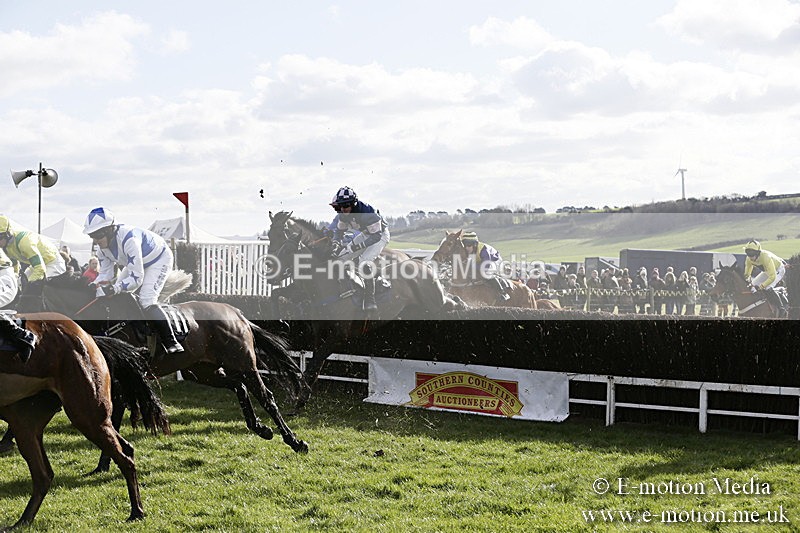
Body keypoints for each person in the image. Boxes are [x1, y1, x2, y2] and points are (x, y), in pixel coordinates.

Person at [83, 207, 183, 353]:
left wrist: (115, 288)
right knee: (117, 294)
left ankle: (171, 341)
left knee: (147, 300)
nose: (96, 240)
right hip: (137, 264)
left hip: (158, 259)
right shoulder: (101, 250)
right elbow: (106, 275)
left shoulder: (129, 239)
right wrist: (95, 284)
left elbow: (137, 278)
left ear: (110, 230)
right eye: (92, 236)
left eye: (98, 235)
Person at [328, 186, 389, 313]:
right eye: (341, 206)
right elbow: (339, 232)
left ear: (353, 204)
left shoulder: (367, 213)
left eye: (346, 206)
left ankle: (370, 299)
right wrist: (335, 242)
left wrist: (357, 247)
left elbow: (376, 237)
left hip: (380, 235)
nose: (343, 210)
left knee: (364, 262)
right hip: (366, 234)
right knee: (341, 258)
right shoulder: (343, 215)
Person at [459, 231, 510, 301]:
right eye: (465, 246)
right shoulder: (467, 251)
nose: (466, 248)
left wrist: (472, 266)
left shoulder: (484, 250)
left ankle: (502, 293)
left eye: (469, 245)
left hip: (494, 260)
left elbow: (486, 266)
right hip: (480, 262)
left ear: (474, 245)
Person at [743, 239, 788, 317]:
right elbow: (747, 274)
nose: (750, 256)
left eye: (752, 254)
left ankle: (781, 308)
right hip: (767, 271)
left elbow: (772, 276)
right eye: (748, 253)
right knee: (752, 286)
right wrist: (748, 281)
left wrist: (762, 286)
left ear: (757, 253)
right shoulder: (748, 259)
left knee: (767, 287)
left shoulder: (765, 257)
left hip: (778, 270)